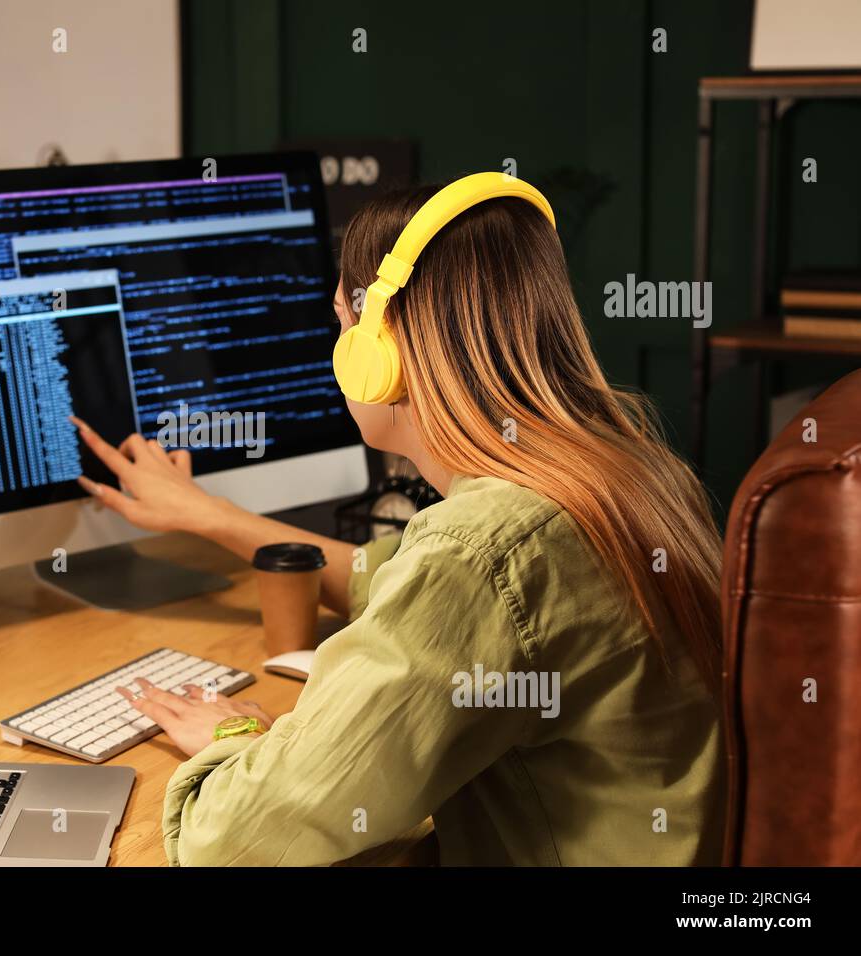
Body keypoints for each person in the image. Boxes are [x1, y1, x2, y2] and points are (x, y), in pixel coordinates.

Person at [70, 176, 725, 866]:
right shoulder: (630, 470)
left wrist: (238, 734)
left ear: (375, 354)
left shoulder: (476, 554)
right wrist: (209, 515)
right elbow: (379, 581)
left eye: (340, 324)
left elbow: (232, 845)